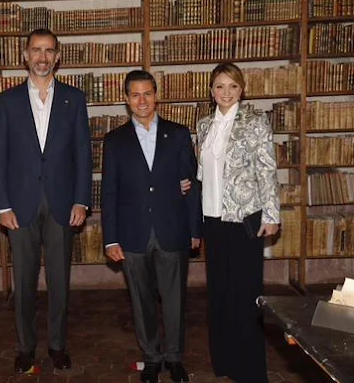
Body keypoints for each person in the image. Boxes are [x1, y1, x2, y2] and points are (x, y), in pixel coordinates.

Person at [0, 28, 92, 374]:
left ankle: (58, 346)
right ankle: (25, 347)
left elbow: (83, 153)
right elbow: (0, 156)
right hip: (20, 206)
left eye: (49, 51)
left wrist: (82, 199)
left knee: (60, 281)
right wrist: (2, 206)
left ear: (58, 56)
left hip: (63, 203)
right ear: (25, 55)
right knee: (24, 281)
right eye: (36, 50)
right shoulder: (8, 101)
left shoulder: (74, 99)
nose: (42, 57)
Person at [101, 70, 202, 383]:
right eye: (135, 94)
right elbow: (109, 192)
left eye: (147, 93)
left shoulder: (179, 134)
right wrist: (110, 239)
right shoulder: (114, 141)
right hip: (132, 234)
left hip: (172, 229)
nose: (142, 101)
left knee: (174, 301)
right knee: (141, 301)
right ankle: (152, 358)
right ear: (127, 99)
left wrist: (195, 229)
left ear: (156, 95)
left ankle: (175, 358)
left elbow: (192, 184)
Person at [196, 62, 280, 383]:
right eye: (219, 86)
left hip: (244, 219)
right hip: (213, 220)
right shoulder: (204, 126)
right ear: (212, 90)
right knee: (219, 294)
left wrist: (271, 215)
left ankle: (250, 369)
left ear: (241, 90)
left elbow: (266, 170)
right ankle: (225, 361)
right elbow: (204, 173)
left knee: (246, 296)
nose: (226, 93)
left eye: (232, 86)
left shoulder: (256, 123)